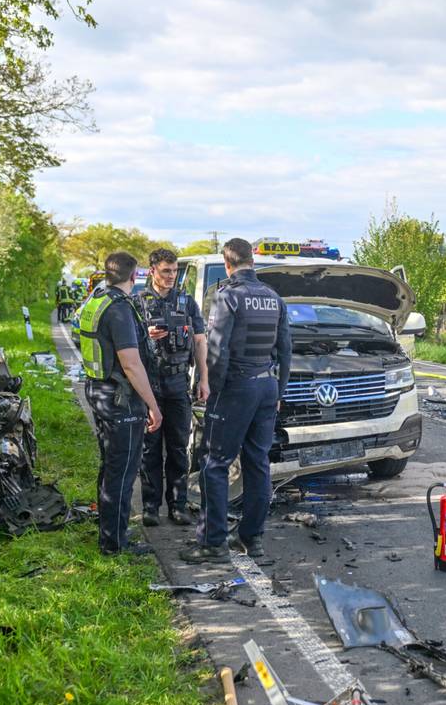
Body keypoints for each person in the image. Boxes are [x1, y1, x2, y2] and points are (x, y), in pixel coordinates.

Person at [180, 238, 291, 564]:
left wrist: (212, 389)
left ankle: (212, 542)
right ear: (252, 261)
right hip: (267, 387)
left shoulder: (228, 297)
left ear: (227, 264)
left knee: (215, 464)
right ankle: (251, 538)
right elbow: (285, 351)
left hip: (237, 389)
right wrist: (279, 392)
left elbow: (217, 351)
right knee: (258, 463)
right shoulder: (274, 298)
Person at [79, 251, 162, 556]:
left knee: (111, 466)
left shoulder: (97, 300)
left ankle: (109, 531)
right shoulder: (119, 309)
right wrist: (153, 405)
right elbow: (131, 364)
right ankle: (114, 543)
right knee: (123, 471)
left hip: (99, 390)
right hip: (121, 400)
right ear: (133, 275)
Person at [133, 248, 208, 527]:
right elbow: (125, 345)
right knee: (150, 448)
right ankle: (151, 506)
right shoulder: (137, 302)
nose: (171, 276)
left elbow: (200, 341)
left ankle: (178, 505)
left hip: (178, 384)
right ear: (152, 270)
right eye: (166, 271)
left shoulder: (187, 302)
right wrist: (146, 334)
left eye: (174, 271)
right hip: (148, 384)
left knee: (178, 448)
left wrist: (204, 379)